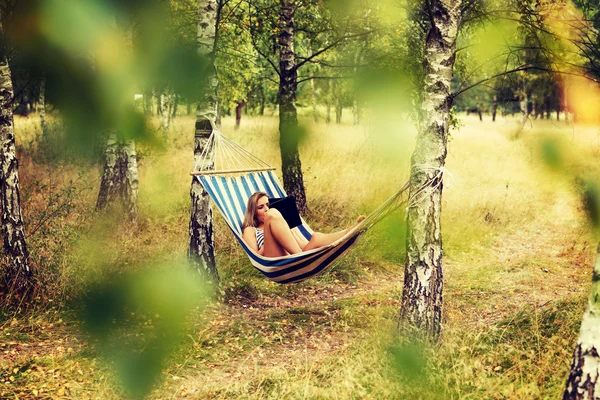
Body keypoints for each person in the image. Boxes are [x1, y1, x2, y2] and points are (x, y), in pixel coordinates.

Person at [241, 191, 365, 257]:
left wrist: (289, 230)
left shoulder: (278, 222)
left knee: (316, 237)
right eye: (261, 207)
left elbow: (302, 245)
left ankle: (350, 233)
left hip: (292, 254)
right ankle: (299, 257)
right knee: (273, 213)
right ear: (253, 212)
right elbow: (255, 256)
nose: (266, 209)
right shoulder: (250, 230)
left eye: (268, 205)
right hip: (273, 257)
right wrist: (269, 239)